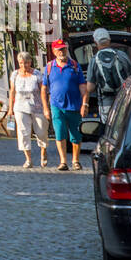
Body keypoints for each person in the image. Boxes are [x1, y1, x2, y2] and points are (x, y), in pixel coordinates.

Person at [41, 38, 88, 171]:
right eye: (59, 49)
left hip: (74, 105)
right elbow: (44, 89)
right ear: (54, 51)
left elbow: (83, 87)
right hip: (57, 106)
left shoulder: (74, 65)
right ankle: (63, 161)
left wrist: (85, 104)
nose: (62, 51)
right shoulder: (49, 67)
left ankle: (76, 160)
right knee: (60, 133)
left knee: (76, 135)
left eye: (64, 49)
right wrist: (45, 108)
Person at [7, 50, 48, 168]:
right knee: (23, 133)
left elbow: (43, 91)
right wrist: (10, 108)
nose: (23, 65)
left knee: (41, 132)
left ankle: (43, 152)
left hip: (37, 107)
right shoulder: (14, 74)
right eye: (20, 63)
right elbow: (12, 91)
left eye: (25, 63)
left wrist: (46, 107)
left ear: (30, 62)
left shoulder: (37, 74)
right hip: (20, 107)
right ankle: (28, 159)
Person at [85, 28, 131, 126]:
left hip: (105, 102)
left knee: (108, 128)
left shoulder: (94, 60)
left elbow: (90, 87)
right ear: (109, 40)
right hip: (124, 98)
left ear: (95, 42)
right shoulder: (122, 55)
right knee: (124, 127)